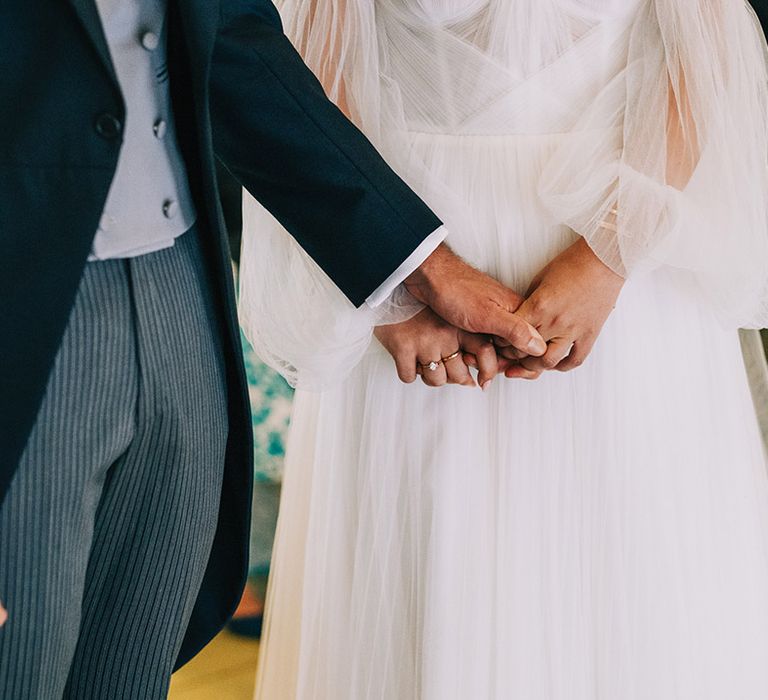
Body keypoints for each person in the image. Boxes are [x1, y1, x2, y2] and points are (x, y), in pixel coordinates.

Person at [0, 0, 547, 697]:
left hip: (182, 298)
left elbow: (238, 50)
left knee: (129, 670)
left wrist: (423, 272)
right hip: (19, 306)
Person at [247, 1, 768, 697]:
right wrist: (388, 282)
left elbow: (704, 56)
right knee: (431, 573)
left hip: (627, 244)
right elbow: (311, 59)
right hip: (408, 226)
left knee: (633, 581)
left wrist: (609, 253)